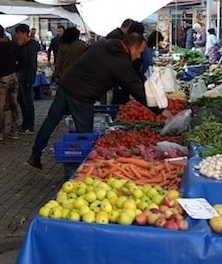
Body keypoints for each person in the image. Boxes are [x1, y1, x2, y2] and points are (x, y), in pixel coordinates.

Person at [28, 33, 170, 169]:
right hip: (82, 95)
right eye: (140, 52)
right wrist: (160, 109)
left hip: (67, 84)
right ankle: (82, 169)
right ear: (133, 47)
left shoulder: (103, 44)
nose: (139, 56)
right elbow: (136, 89)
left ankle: (35, 153)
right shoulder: (120, 61)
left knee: (51, 121)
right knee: (85, 136)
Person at [0, 24, 20, 141]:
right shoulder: (13, 44)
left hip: (3, 78)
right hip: (14, 77)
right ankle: (15, 131)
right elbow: (18, 60)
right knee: (14, 104)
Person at [16, 24, 40, 134]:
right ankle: (24, 123)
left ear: (24, 33)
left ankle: (29, 125)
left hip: (27, 77)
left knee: (27, 101)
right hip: (20, 77)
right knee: (21, 100)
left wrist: (30, 79)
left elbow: (32, 64)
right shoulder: (22, 45)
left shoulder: (32, 45)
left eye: (19, 34)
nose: (17, 36)